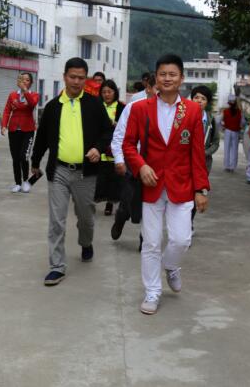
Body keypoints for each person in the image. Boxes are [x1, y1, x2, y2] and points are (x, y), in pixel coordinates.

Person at [123, 54, 210, 315]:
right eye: (163, 74)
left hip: (182, 185)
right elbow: (128, 144)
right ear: (155, 78)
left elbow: (197, 153)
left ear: (181, 79)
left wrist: (201, 189)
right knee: (150, 242)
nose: (167, 78)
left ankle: (171, 265)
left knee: (181, 239)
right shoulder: (140, 109)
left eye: (172, 74)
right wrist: (141, 166)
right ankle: (152, 291)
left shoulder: (192, 111)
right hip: (150, 186)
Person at [31, 57, 113, 287]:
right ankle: (57, 267)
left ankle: (86, 242)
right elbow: (43, 138)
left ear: (85, 79)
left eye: (81, 78)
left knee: (86, 217)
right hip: (59, 171)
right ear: (64, 76)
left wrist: (98, 147)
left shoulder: (94, 104)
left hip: (85, 173)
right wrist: (35, 162)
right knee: (56, 220)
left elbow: (108, 132)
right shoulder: (53, 107)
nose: (76, 82)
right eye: (72, 77)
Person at [110, 73, 157, 244]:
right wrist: (119, 159)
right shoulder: (134, 107)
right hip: (133, 162)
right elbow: (119, 136)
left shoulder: (173, 111)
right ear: (149, 88)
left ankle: (145, 239)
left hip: (157, 165)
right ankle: (121, 217)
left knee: (152, 204)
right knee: (129, 199)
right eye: (157, 89)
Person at [2, 72, 39, 193]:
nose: (24, 81)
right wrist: (3, 125)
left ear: (31, 82)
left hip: (28, 130)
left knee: (24, 156)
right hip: (14, 129)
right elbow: (7, 110)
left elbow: (32, 104)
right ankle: (18, 183)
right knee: (16, 158)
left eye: (27, 80)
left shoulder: (33, 95)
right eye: (22, 79)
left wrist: (25, 90)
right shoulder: (12, 95)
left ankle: (26, 182)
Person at [95, 79, 125, 216]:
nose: (107, 95)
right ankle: (94, 200)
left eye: (109, 92)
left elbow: (126, 126)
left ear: (115, 93)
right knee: (99, 176)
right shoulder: (97, 106)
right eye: (104, 92)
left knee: (114, 177)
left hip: (115, 145)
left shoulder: (121, 107)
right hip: (99, 144)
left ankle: (110, 203)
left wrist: (116, 124)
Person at [190, 85, 220, 172]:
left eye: (203, 99)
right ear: (192, 99)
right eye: (196, 97)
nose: (199, 101)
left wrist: (205, 153)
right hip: (186, 162)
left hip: (204, 163)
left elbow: (215, 143)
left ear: (207, 102)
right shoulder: (184, 117)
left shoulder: (211, 120)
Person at [221, 94, 246, 172]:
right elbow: (243, 122)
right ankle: (232, 167)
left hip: (228, 131)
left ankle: (226, 166)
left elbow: (219, 120)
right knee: (234, 149)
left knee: (227, 149)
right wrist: (240, 127)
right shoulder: (239, 112)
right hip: (235, 131)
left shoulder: (225, 111)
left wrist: (222, 126)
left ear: (228, 103)